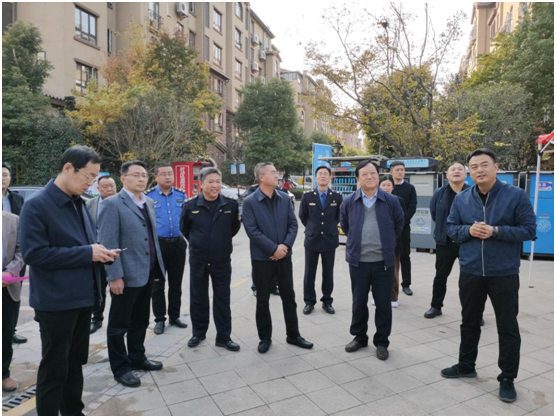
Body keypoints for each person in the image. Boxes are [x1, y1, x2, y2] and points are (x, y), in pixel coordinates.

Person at [20, 146, 117, 416]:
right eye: (88, 176)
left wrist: (101, 253)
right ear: (68, 168)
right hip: (56, 302)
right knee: (54, 368)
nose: (91, 183)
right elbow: (34, 254)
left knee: (75, 363)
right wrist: (87, 253)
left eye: (95, 178)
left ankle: (73, 411)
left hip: (83, 298)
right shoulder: (37, 205)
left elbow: (83, 246)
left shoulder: (80, 202)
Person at [441, 149, 536, 404]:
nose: (479, 170)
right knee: (469, 321)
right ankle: (465, 365)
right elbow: (450, 228)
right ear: (469, 172)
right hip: (471, 270)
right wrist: (468, 230)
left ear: (496, 167)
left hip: (503, 273)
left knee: (507, 326)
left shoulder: (515, 195)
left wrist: (495, 231)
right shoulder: (462, 198)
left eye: (484, 165)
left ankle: (507, 378)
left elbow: (529, 230)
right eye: (474, 167)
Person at [100, 161, 166, 388]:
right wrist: (114, 276)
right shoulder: (112, 204)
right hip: (125, 275)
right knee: (119, 325)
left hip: (147, 271)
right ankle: (120, 367)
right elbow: (108, 242)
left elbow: (151, 238)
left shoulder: (148, 202)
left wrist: (157, 269)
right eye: (136, 175)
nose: (141, 179)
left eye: (144, 175)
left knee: (140, 319)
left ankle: (137, 357)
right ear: (123, 178)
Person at [242, 162, 313, 354]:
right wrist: (273, 248)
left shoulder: (284, 199)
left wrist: (285, 247)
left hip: (284, 257)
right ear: (261, 177)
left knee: (289, 297)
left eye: (277, 172)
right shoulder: (250, 202)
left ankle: (293, 335)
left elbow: (293, 225)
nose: (277, 176)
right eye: (273, 172)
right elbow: (252, 231)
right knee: (262, 299)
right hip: (261, 259)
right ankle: (265, 338)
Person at [340, 160, 404, 361]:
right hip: (358, 262)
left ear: (378, 175)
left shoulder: (391, 201)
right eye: (365, 174)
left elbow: (399, 224)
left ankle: (382, 342)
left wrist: (387, 241)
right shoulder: (349, 201)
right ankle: (359, 337)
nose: (369, 177)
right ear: (357, 179)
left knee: (383, 304)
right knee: (359, 302)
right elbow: (345, 226)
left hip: (383, 262)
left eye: (373, 173)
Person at [180, 167, 241, 351]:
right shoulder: (190, 205)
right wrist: (199, 243)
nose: (215, 185)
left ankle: (223, 337)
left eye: (218, 182)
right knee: (198, 297)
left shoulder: (230, 205)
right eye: (211, 182)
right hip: (198, 259)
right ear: (202, 184)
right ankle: (198, 333)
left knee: (222, 298)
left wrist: (219, 242)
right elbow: (185, 229)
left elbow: (234, 228)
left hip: (221, 260)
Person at [145, 163, 188, 335]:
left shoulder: (181, 195)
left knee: (176, 283)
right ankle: (159, 319)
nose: (168, 177)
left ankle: (174, 316)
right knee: (157, 285)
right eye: (163, 174)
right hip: (158, 246)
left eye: (170, 173)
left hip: (178, 244)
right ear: (155, 177)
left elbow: (187, 219)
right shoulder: (148, 196)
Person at [424, 163, 470, 319]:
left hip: (468, 241)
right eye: (453, 169)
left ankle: (473, 312)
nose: (456, 171)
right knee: (440, 276)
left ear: (466, 174)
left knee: (470, 279)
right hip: (445, 242)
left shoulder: (473, 192)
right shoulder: (440, 193)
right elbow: (435, 214)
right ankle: (436, 306)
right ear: (447, 175)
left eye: (460, 169)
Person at [299, 165, 343, 315]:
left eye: (326, 174)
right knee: (309, 273)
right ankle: (309, 301)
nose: (323, 176)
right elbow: (303, 216)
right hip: (312, 239)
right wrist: (312, 228)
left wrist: (330, 228)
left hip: (330, 240)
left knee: (328, 273)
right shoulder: (307, 196)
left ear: (330, 177)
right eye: (320, 174)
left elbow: (339, 216)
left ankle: (327, 301)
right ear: (316, 178)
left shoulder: (337, 197)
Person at [87, 176, 118, 334]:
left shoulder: (122, 203)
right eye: (105, 186)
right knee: (97, 287)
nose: (109, 189)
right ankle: (97, 318)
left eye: (112, 185)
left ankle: (118, 319)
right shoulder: (90, 204)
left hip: (117, 253)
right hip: (98, 252)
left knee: (118, 287)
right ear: (98, 189)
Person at [2, 162, 27, 345]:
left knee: (12, 296)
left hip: (13, 254)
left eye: (5, 175)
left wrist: (12, 269)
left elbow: (23, 226)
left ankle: (11, 330)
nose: (3, 178)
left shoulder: (16, 199)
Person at [2, 211, 25, 392]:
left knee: (5, 333)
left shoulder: (13, 220)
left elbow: (21, 250)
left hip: (6, 286)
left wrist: (10, 272)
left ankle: (3, 373)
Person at [246, 183, 279, 297]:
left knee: (275, 263)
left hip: (274, 236)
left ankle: (273, 286)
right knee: (258, 267)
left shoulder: (277, 192)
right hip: (260, 237)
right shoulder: (253, 191)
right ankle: (256, 286)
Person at [390, 161, 417, 296]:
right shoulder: (387, 186)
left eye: (402, 170)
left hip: (404, 228)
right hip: (388, 229)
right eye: (397, 170)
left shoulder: (410, 188)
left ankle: (406, 284)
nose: (400, 172)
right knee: (388, 256)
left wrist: (402, 221)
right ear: (391, 172)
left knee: (405, 256)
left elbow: (413, 206)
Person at [378, 175, 405, 308]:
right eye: (383, 185)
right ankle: (378, 296)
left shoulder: (398, 200)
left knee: (393, 271)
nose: (386, 188)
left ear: (393, 187)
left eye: (388, 185)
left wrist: (392, 236)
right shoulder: (374, 200)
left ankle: (393, 297)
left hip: (394, 241)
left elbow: (401, 221)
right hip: (377, 242)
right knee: (377, 271)